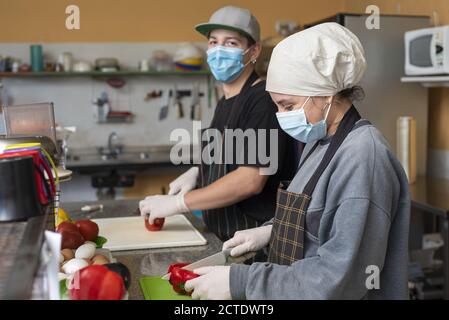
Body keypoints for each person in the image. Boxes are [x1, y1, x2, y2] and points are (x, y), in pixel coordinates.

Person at [184, 23, 411, 300]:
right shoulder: (320, 140)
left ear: (326, 94)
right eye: (277, 105)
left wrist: (243, 281)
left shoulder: (364, 158)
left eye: (288, 106)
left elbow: (340, 279)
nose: (280, 116)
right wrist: (270, 230)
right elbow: (315, 216)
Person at [139, 6, 295, 242]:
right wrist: (197, 172)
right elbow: (227, 154)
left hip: (254, 242)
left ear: (254, 51)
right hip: (222, 235)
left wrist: (179, 203)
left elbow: (250, 180)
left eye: (231, 43)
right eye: (213, 42)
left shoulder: (263, 100)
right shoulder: (225, 102)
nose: (219, 51)